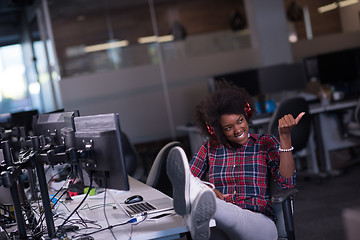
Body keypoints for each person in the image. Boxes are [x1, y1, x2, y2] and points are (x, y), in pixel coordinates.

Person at [166, 82, 304, 240]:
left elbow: (287, 183)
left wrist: (285, 138)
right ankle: (203, 207)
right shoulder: (210, 148)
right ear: (218, 130)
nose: (237, 130)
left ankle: (204, 207)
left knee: (222, 212)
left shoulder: (265, 142)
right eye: (228, 127)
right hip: (221, 224)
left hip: (259, 223)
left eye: (240, 121)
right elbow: (186, 179)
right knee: (203, 208)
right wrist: (206, 188)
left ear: (246, 117)